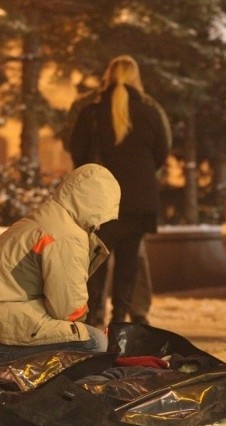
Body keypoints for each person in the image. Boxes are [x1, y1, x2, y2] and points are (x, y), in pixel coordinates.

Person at [0, 164, 121, 369]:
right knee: (95, 342)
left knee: (82, 336)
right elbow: (68, 310)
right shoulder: (67, 235)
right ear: (100, 205)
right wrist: (81, 328)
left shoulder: (47, 218)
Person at [67, 55, 171, 326]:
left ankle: (93, 315)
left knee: (97, 258)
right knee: (129, 260)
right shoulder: (150, 112)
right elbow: (161, 152)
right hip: (139, 197)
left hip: (102, 198)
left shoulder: (90, 112)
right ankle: (121, 317)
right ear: (136, 78)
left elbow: (77, 152)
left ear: (107, 77)